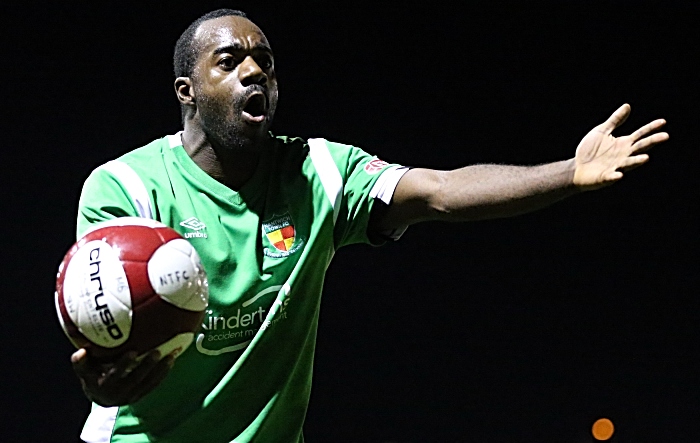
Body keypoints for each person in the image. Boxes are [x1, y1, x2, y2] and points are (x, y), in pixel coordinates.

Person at [69, 8, 669, 443]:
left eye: (266, 63)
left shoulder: (320, 171)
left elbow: (438, 191)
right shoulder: (125, 187)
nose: (255, 71)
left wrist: (569, 172)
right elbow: (103, 332)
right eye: (230, 62)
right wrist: (103, 381)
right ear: (188, 91)